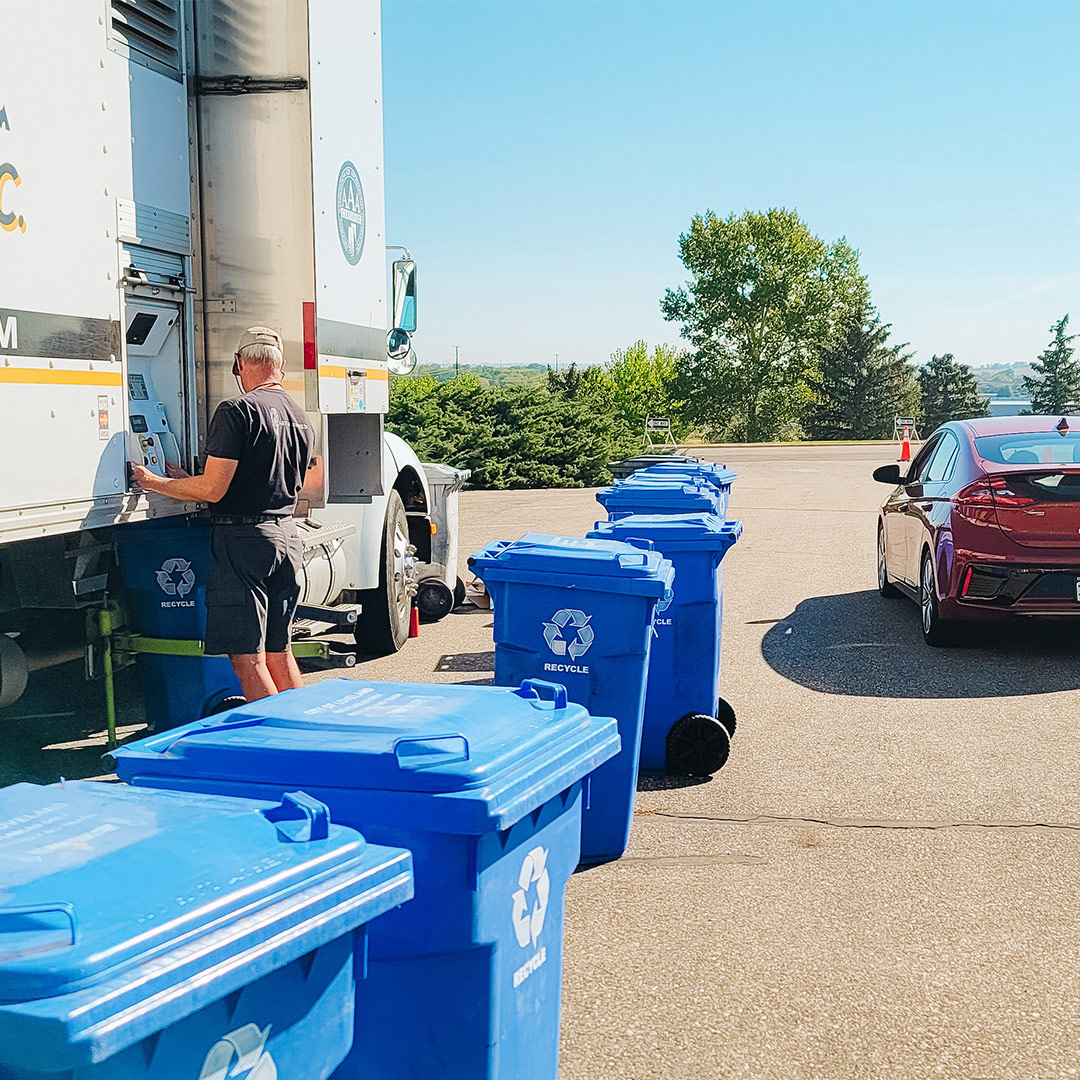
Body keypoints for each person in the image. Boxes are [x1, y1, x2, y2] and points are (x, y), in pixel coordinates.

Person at [131, 327, 315, 701]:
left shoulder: (237, 410)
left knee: (247, 658)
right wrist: (190, 481)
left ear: (239, 363)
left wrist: (152, 481)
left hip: (243, 543)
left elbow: (213, 490)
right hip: (285, 535)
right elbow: (253, 477)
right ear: (279, 366)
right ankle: (303, 736)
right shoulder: (299, 415)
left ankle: (271, 746)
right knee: (279, 650)